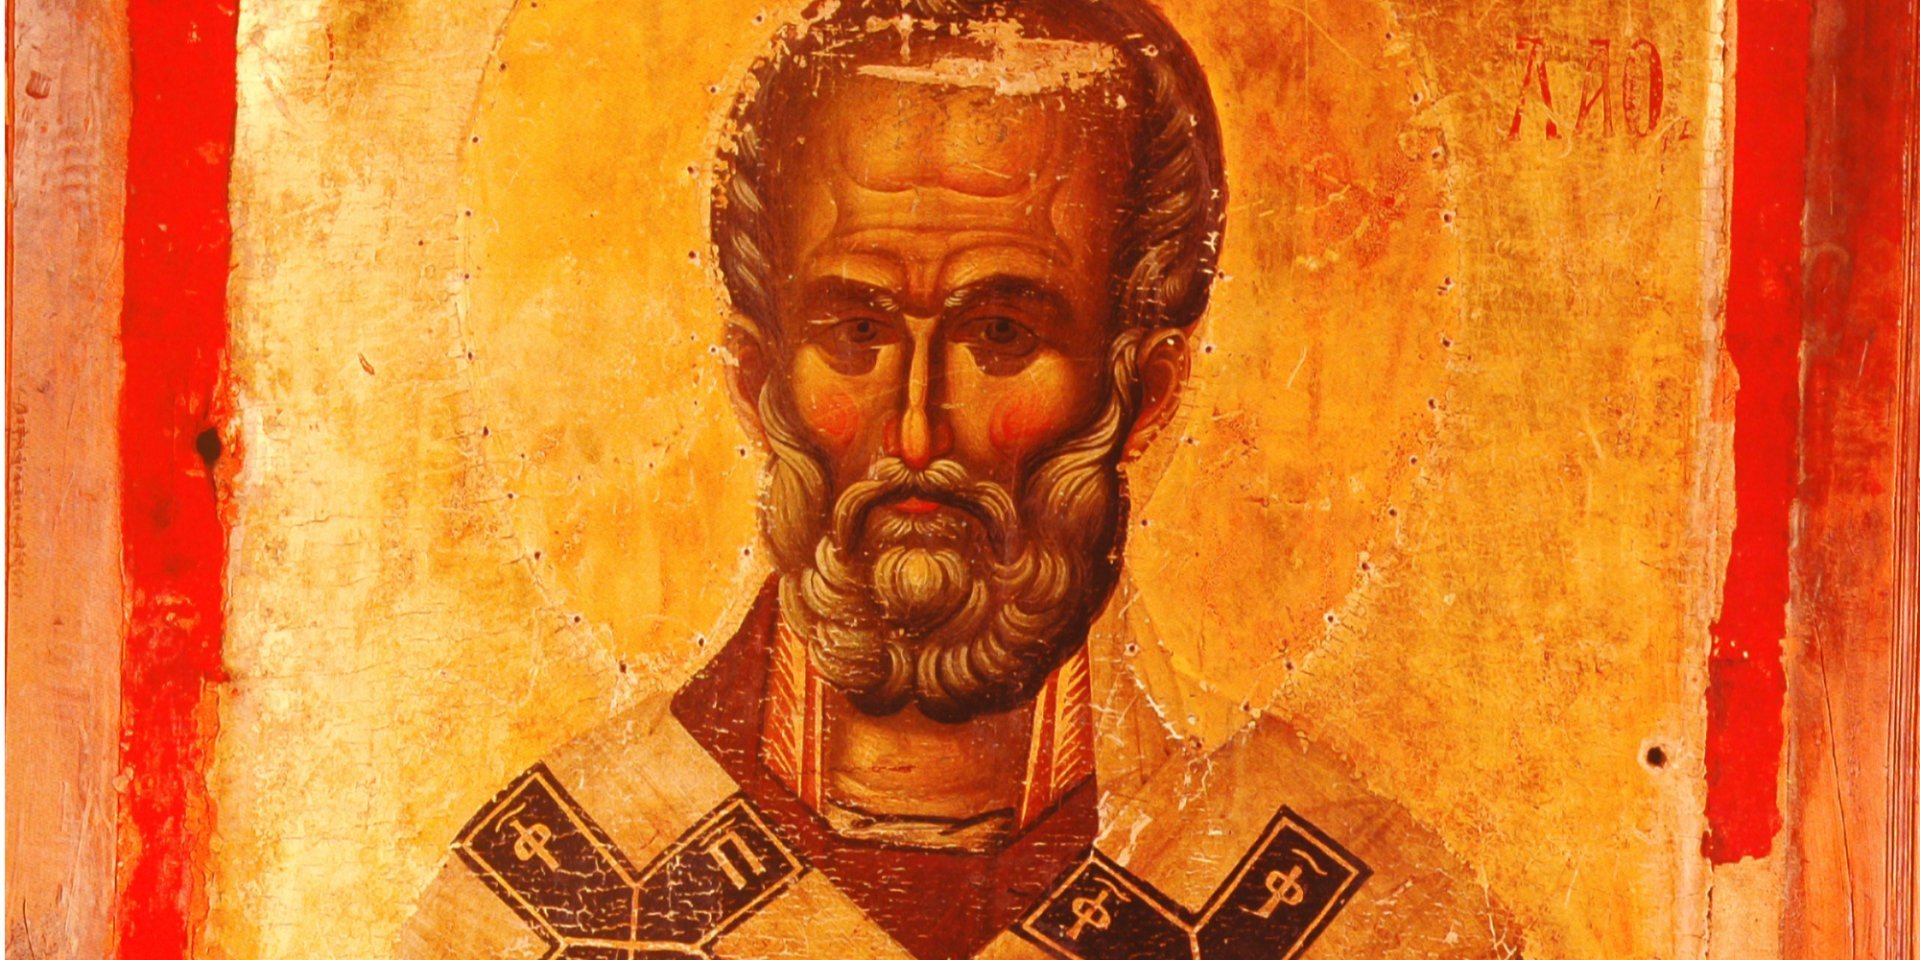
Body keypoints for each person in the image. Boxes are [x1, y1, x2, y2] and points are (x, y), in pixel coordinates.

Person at [399, 2, 1522, 957]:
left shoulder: (1355, 909)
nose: (917, 428)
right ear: (754, 378)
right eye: (856, 330)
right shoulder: (547, 902)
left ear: (1146, 389)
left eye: (1001, 333)